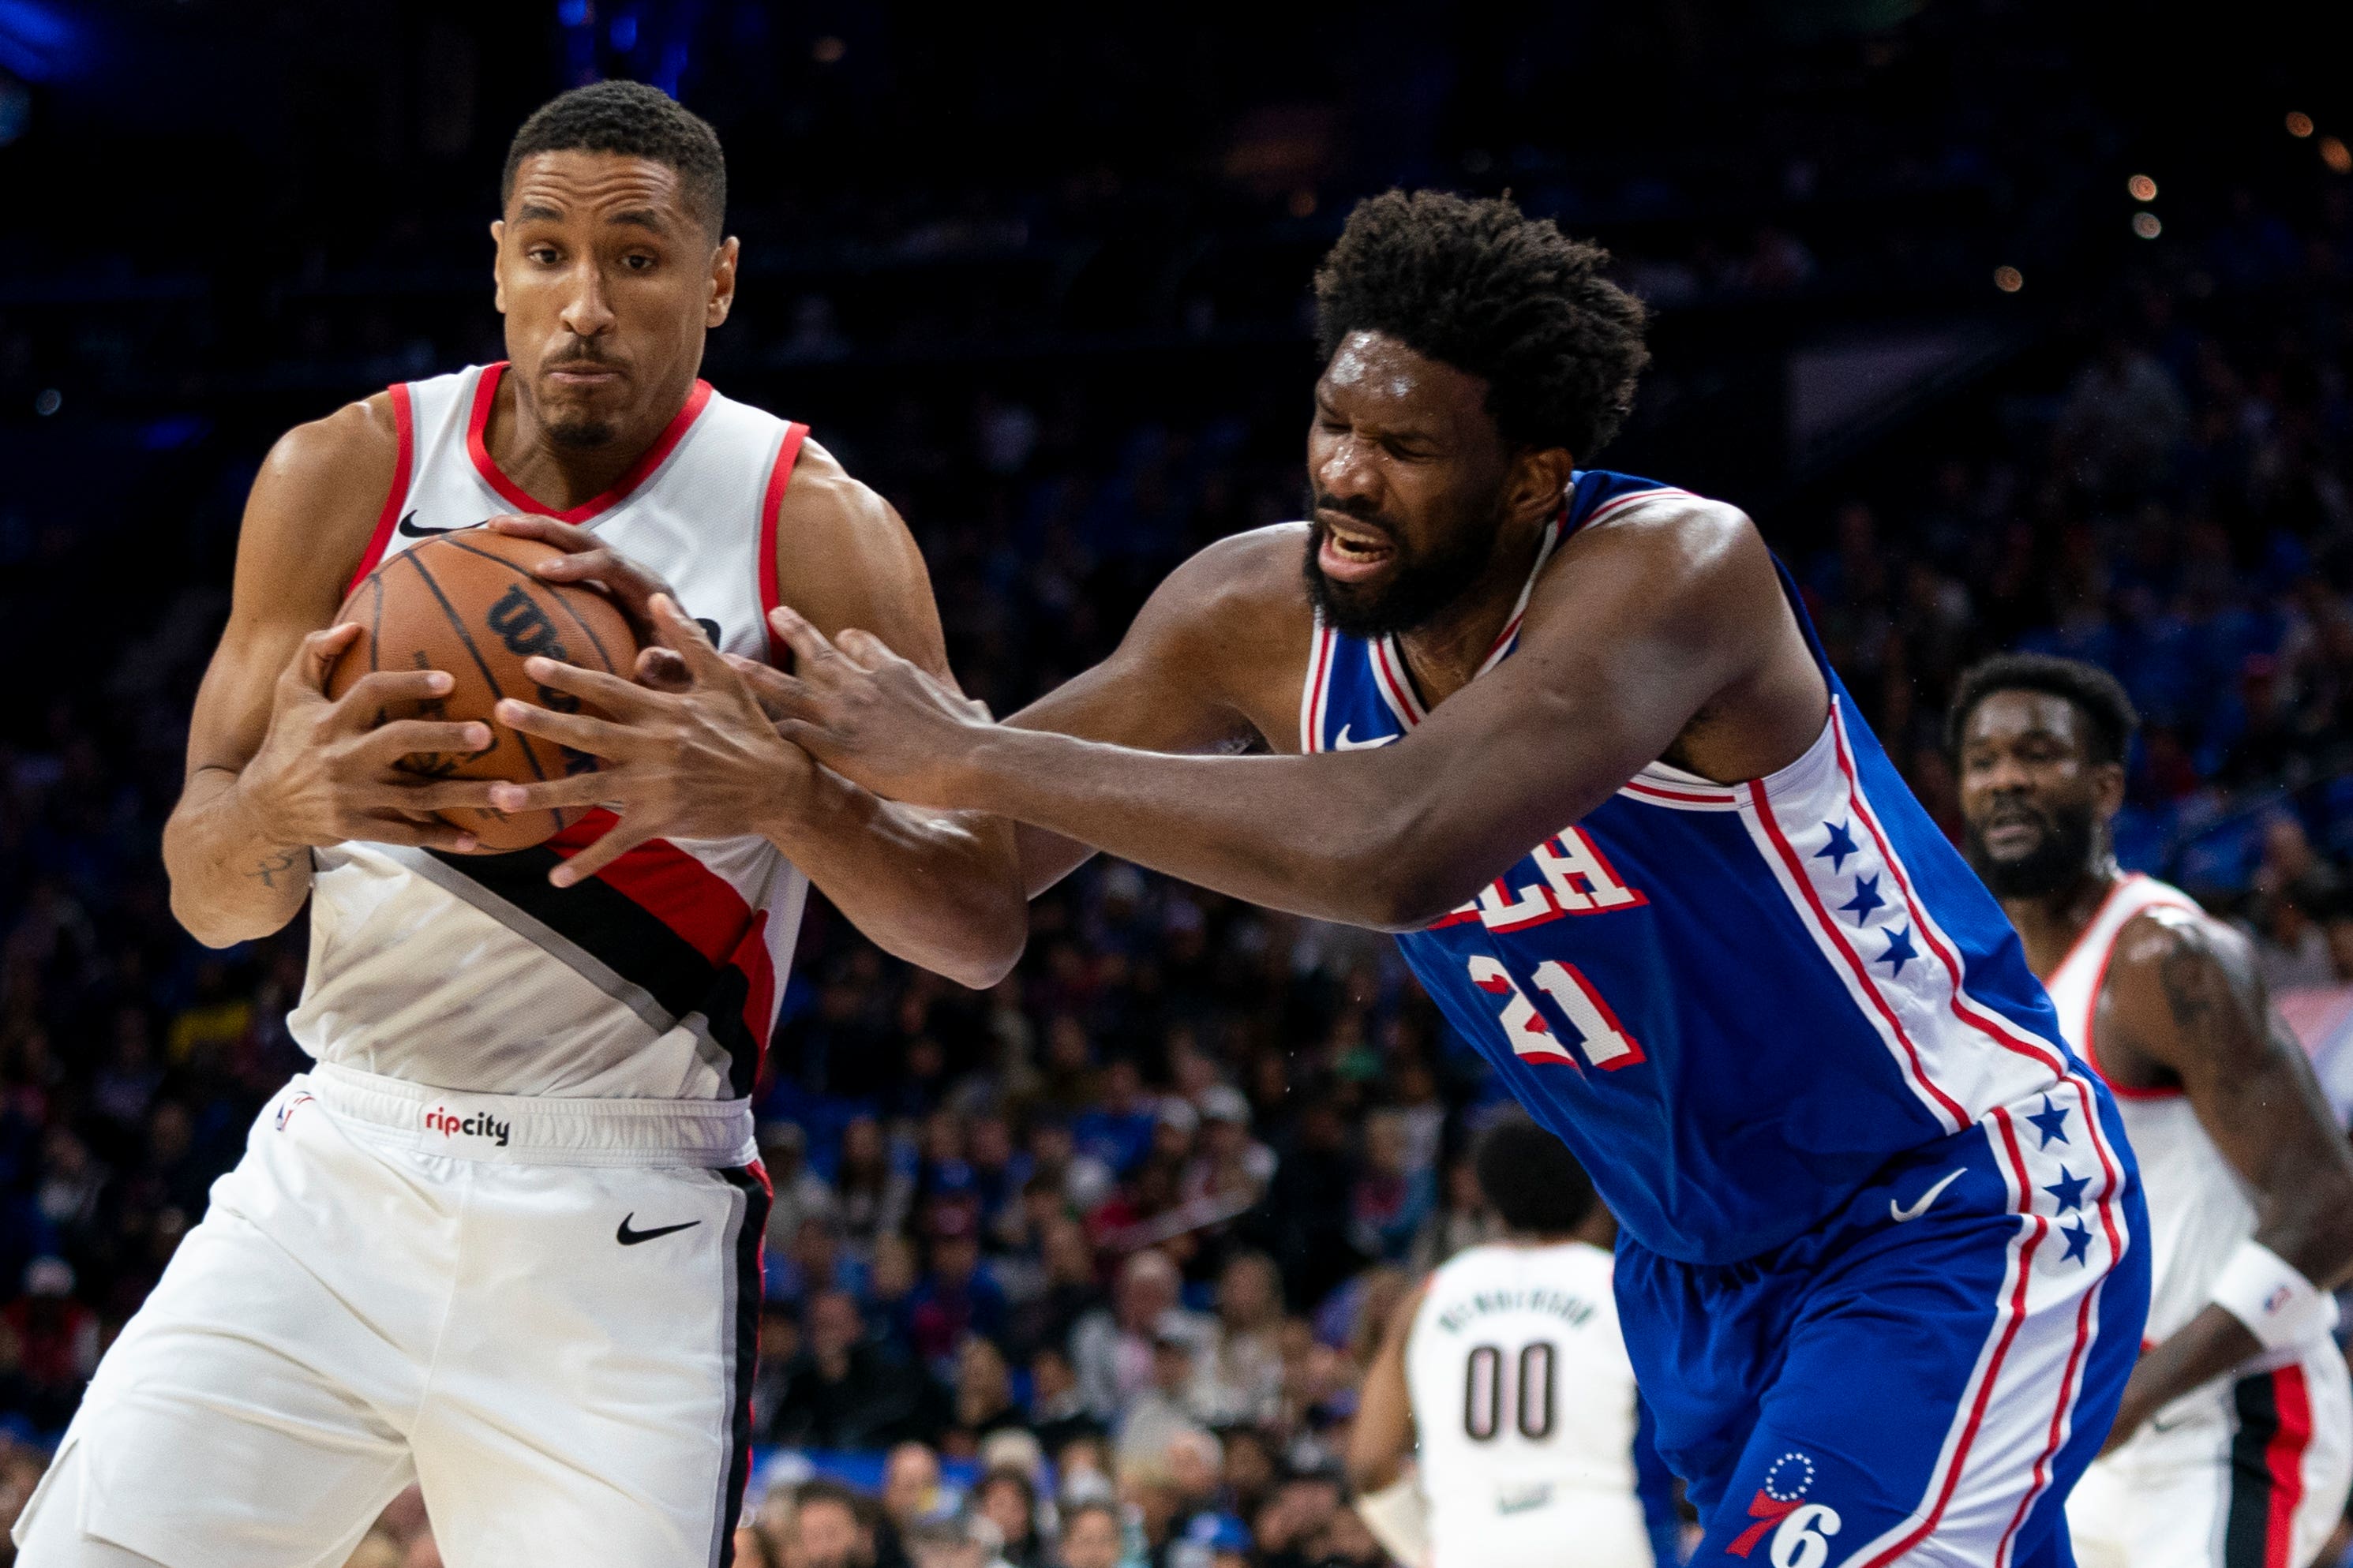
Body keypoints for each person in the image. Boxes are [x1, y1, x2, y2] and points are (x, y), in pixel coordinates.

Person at [732, 189, 2153, 1563]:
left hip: (1947, 1203)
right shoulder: (1248, 614)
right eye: (1334, 423)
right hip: (1698, 1278)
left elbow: (1395, 846)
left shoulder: (1675, 568)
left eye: (1403, 445)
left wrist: (967, 756)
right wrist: (766, 789)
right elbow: (968, 909)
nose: (1344, 471)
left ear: (1530, 476)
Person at [19, 81, 1025, 1568]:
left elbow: (983, 923)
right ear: (496, 263)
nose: (584, 304)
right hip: (338, 1162)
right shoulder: (340, 473)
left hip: (624, 1215)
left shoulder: (809, 526)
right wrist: (285, 808)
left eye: (638, 257)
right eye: (547, 253)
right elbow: (209, 894)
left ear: (721, 279)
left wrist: (779, 794)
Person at [1952, 653, 2353, 1568]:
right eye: (1982, 760)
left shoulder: (2165, 960)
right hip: (2079, 1433)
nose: (2004, 777)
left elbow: (2327, 1212)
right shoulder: (1979, 990)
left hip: (2226, 1418)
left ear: (2103, 788)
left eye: (2035, 754)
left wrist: (2127, 1400)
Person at [1348, 1117, 1668, 1568]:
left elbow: (1370, 1465)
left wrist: (1424, 1549)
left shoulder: (1430, 1297)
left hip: (1472, 1537)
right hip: (1599, 1532)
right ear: (1594, 1191)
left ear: (1488, 1196)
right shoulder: (1620, 1287)